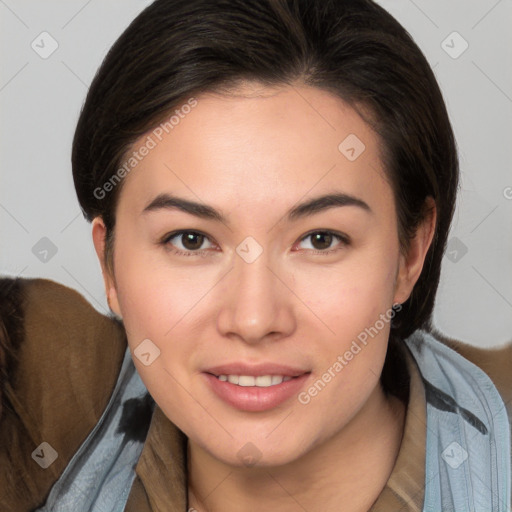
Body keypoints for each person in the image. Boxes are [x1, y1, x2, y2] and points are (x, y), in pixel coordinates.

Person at [0, 0, 510, 511]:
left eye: (321, 239)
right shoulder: (39, 416)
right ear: (109, 260)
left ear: (410, 253)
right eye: (191, 240)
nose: (253, 318)